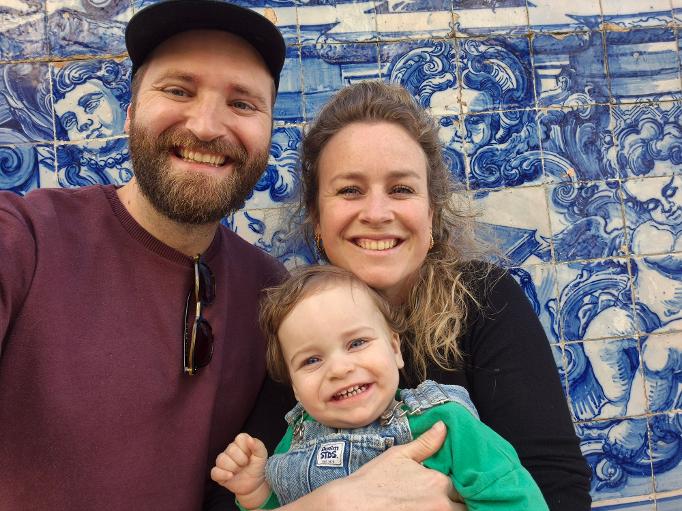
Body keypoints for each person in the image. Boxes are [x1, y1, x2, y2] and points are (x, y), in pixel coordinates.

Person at [0, 2, 472, 510]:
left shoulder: (269, 294)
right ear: (131, 111)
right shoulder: (25, 240)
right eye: (178, 90)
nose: (206, 127)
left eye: (242, 104)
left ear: (268, 133)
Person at [286, 80, 593, 510]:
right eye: (350, 190)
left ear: (431, 214)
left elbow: (558, 490)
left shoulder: (484, 301)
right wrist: (334, 502)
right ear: (317, 219)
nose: (377, 213)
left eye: (401, 189)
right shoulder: (293, 327)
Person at [212, 265, 549, 511]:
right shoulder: (294, 440)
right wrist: (256, 492)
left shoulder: (444, 423)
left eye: (357, 343)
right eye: (311, 360)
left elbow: (512, 497)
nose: (340, 369)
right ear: (296, 389)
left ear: (394, 349)